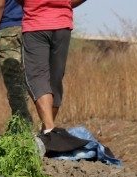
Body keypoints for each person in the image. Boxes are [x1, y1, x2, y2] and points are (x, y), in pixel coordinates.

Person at [17, 0, 87, 137]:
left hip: (36, 23)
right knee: (54, 79)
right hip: (62, 25)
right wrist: (65, 3)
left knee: (37, 77)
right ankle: (48, 132)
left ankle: (49, 128)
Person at [0, 0, 32, 126]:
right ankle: (47, 128)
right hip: (35, 28)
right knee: (36, 80)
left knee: (15, 82)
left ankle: (23, 126)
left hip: (10, 30)